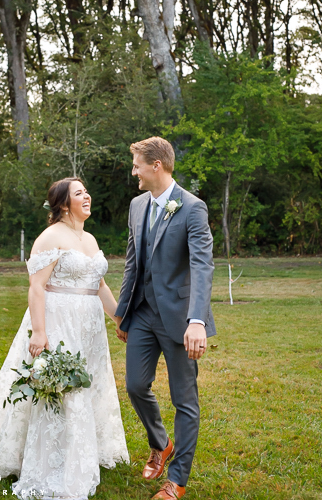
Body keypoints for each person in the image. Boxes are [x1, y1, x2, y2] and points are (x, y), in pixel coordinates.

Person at [0, 177, 129, 499]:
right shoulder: (50, 237)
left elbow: (99, 285)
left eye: (86, 191)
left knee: (88, 383)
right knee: (62, 386)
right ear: (62, 203)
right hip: (60, 321)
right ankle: (53, 458)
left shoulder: (89, 238)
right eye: (79, 193)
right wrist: (40, 332)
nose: (87, 196)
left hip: (89, 327)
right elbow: (36, 287)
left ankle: (87, 446)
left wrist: (118, 318)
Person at [113, 137, 215, 500]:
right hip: (141, 314)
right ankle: (161, 443)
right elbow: (132, 263)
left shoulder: (192, 207)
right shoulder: (137, 205)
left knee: (183, 400)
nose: (134, 171)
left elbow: (203, 266)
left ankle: (177, 480)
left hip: (180, 319)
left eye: (137, 164)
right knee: (135, 386)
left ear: (156, 165)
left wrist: (197, 321)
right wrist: (123, 314)